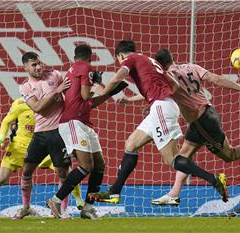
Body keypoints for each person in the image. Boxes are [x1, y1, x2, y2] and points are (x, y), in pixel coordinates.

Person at [87, 40, 229, 204]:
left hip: (161, 107)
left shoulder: (130, 59)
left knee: (172, 159)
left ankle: (215, 180)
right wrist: (156, 99)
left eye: (119, 59)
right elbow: (174, 85)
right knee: (131, 144)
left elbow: (117, 78)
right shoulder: (149, 60)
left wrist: (103, 90)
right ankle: (114, 192)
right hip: (159, 106)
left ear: (120, 55)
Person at [148, 48, 240, 205]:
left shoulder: (167, 77)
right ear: (172, 57)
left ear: (160, 65)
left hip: (203, 122)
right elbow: (216, 79)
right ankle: (174, 194)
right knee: (183, 156)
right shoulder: (191, 67)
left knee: (231, 154)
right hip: (204, 116)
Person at [46, 44, 128, 219]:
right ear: (90, 57)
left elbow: (88, 103)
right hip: (72, 123)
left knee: (99, 166)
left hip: (83, 122)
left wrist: (107, 93)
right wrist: (100, 85)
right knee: (87, 166)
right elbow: (85, 95)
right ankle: (56, 200)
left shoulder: (74, 70)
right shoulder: (85, 67)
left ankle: (88, 207)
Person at [0, 98, 84, 217]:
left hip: (43, 145)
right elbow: (6, 121)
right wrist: (0, 139)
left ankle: (71, 204)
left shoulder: (51, 102)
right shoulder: (20, 104)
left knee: (66, 173)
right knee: (2, 177)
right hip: (19, 147)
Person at [16, 51, 75, 219]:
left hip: (58, 132)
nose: (38, 67)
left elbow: (70, 93)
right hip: (40, 134)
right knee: (26, 171)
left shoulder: (55, 75)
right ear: (25, 67)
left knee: (63, 173)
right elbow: (37, 107)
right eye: (34, 65)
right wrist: (56, 91)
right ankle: (26, 207)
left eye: (39, 63)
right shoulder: (25, 86)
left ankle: (61, 209)